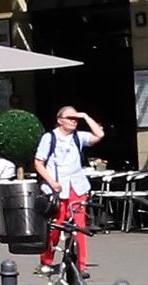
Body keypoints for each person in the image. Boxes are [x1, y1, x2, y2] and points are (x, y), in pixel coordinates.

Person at [33, 106, 104, 277]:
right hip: (57, 189)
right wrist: (52, 182)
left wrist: (85, 115)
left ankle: (81, 265)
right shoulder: (49, 138)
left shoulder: (79, 136)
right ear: (59, 120)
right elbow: (38, 163)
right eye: (70, 117)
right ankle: (46, 261)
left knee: (80, 227)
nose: (74, 121)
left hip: (77, 187)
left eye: (76, 118)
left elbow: (99, 135)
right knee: (55, 227)